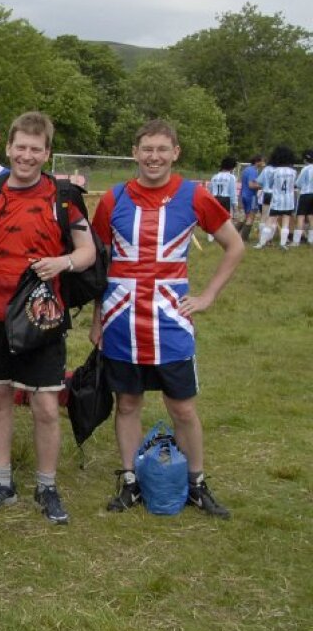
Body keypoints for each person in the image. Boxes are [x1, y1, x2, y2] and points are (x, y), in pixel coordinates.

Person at [91, 119, 244, 517]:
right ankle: (129, 480)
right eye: (147, 149)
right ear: (135, 152)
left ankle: (195, 483)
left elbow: (234, 245)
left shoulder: (194, 195)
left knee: (183, 409)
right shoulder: (113, 198)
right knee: (127, 403)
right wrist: (96, 319)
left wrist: (208, 295)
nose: (154, 156)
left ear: (175, 152)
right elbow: (98, 263)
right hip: (121, 321)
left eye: (162, 149)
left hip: (171, 322)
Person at [0, 111, 96, 525]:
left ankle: (46, 485)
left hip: (41, 315)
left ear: (47, 153)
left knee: (44, 404)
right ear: (7, 148)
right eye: (19, 147)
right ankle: (2, 482)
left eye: (35, 149)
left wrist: (64, 263)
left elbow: (87, 251)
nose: (26, 155)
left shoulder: (63, 197)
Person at [259, 146, 298, 250]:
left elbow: (270, 185)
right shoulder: (293, 172)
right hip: (289, 200)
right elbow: (293, 185)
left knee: (270, 220)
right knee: (286, 221)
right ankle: (283, 244)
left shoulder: (274, 171)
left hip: (277, 199)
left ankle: (262, 243)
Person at [238, 154, 263, 242]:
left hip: (244, 195)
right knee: (251, 217)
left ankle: (235, 233)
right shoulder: (253, 171)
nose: (262, 163)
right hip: (251, 196)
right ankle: (244, 237)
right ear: (257, 162)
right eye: (261, 161)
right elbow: (251, 185)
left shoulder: (246, 170)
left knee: (246, 216)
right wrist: (261, 186)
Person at [296, 149, 313, 246]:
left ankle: (297, 240)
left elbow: (298, 183)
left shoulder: (305, 169)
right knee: (311, 217)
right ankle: (311, 239)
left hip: (305, 194)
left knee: (301, 216)